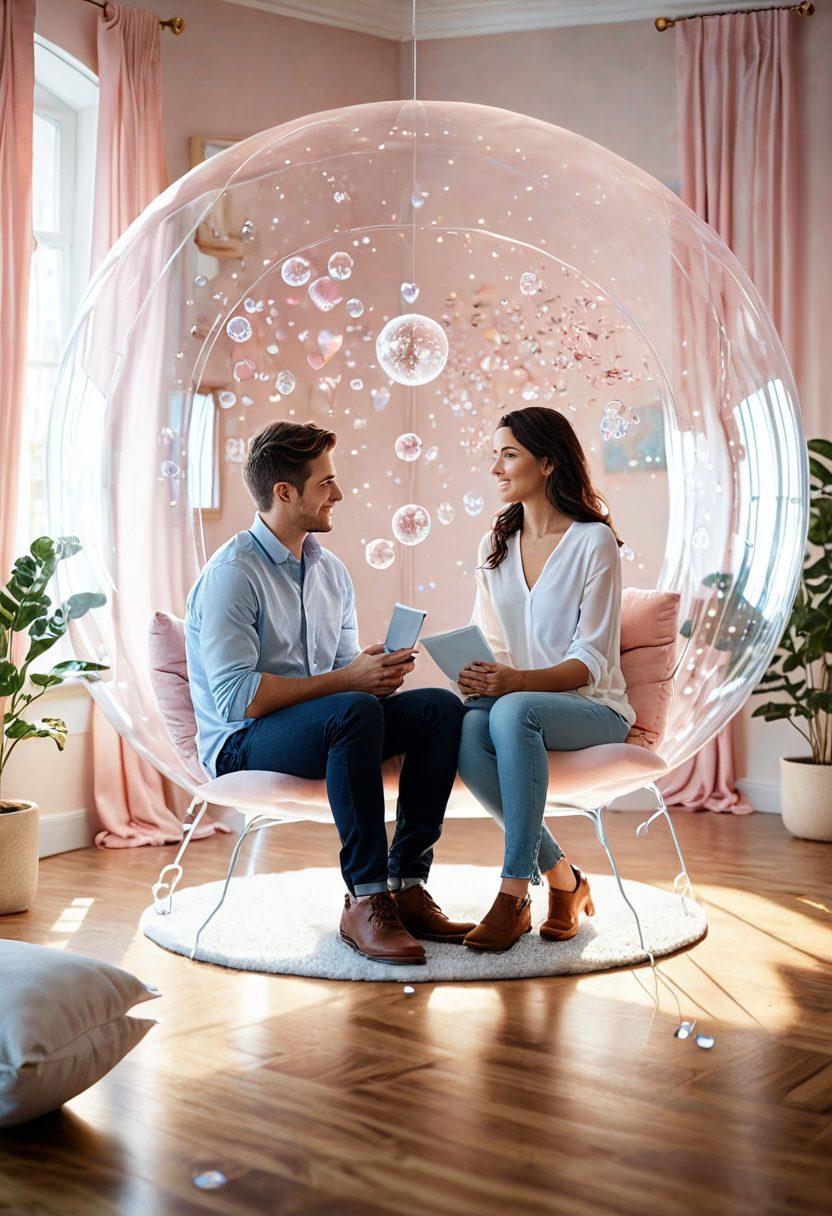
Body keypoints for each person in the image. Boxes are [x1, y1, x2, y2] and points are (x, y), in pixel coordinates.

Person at [184, 420, 472, 966]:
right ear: (284, 493)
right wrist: (348, 683)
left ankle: (406, 883)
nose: (338, 494)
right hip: (242, 743)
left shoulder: (330, 571)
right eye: (326, 483)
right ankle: (365, 898)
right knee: (354, 709)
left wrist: (370, 670)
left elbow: (341, 678)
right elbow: (236, 700)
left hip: (329, 723)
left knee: (439, 709)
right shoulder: (232, 574)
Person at [456, 406, 637, 953]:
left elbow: (591, 661)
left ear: (548, 462)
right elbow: (492, 642)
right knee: (466, 728)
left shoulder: (593, 541)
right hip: (522, 701)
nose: (497, 469)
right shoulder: (497, 542)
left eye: (508, 455)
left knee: (512, 710)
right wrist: (481, 673)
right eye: (496, 455)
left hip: (593, 708)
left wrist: (513, 684)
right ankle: (564, 879)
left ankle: (514, 893)